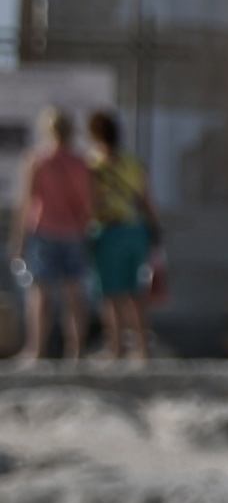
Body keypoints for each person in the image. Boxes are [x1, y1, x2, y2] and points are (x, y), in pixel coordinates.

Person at [13, 102, 93, 366]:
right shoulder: (81, 163)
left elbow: (26, 203)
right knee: (74, 294)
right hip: (73, 232)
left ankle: (36, 350)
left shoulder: (38, 160)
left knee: (40, 294)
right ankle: (76, 351)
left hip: (44, 230)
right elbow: (86, 203)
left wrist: (18, 240)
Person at [83, 106, 158, 363]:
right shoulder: (132, 162)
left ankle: (115, 348)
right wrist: (155, 229)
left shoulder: (94, 165)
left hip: (110, 231)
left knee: (111, 294)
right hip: (136, 231)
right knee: (135, 293)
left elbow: (92, 203)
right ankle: (143, 349)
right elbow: (147, 201)